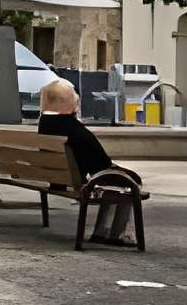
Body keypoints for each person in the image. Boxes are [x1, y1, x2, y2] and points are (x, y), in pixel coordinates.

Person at [37, 77, 137, 244]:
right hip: (80, 183)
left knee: (114, 180)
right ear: (69, 102)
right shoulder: (75, 130)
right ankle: (114, 234)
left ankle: (104, 232)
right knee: (126, 182)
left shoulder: (45, 124)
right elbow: (102, 164)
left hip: (57, 179)